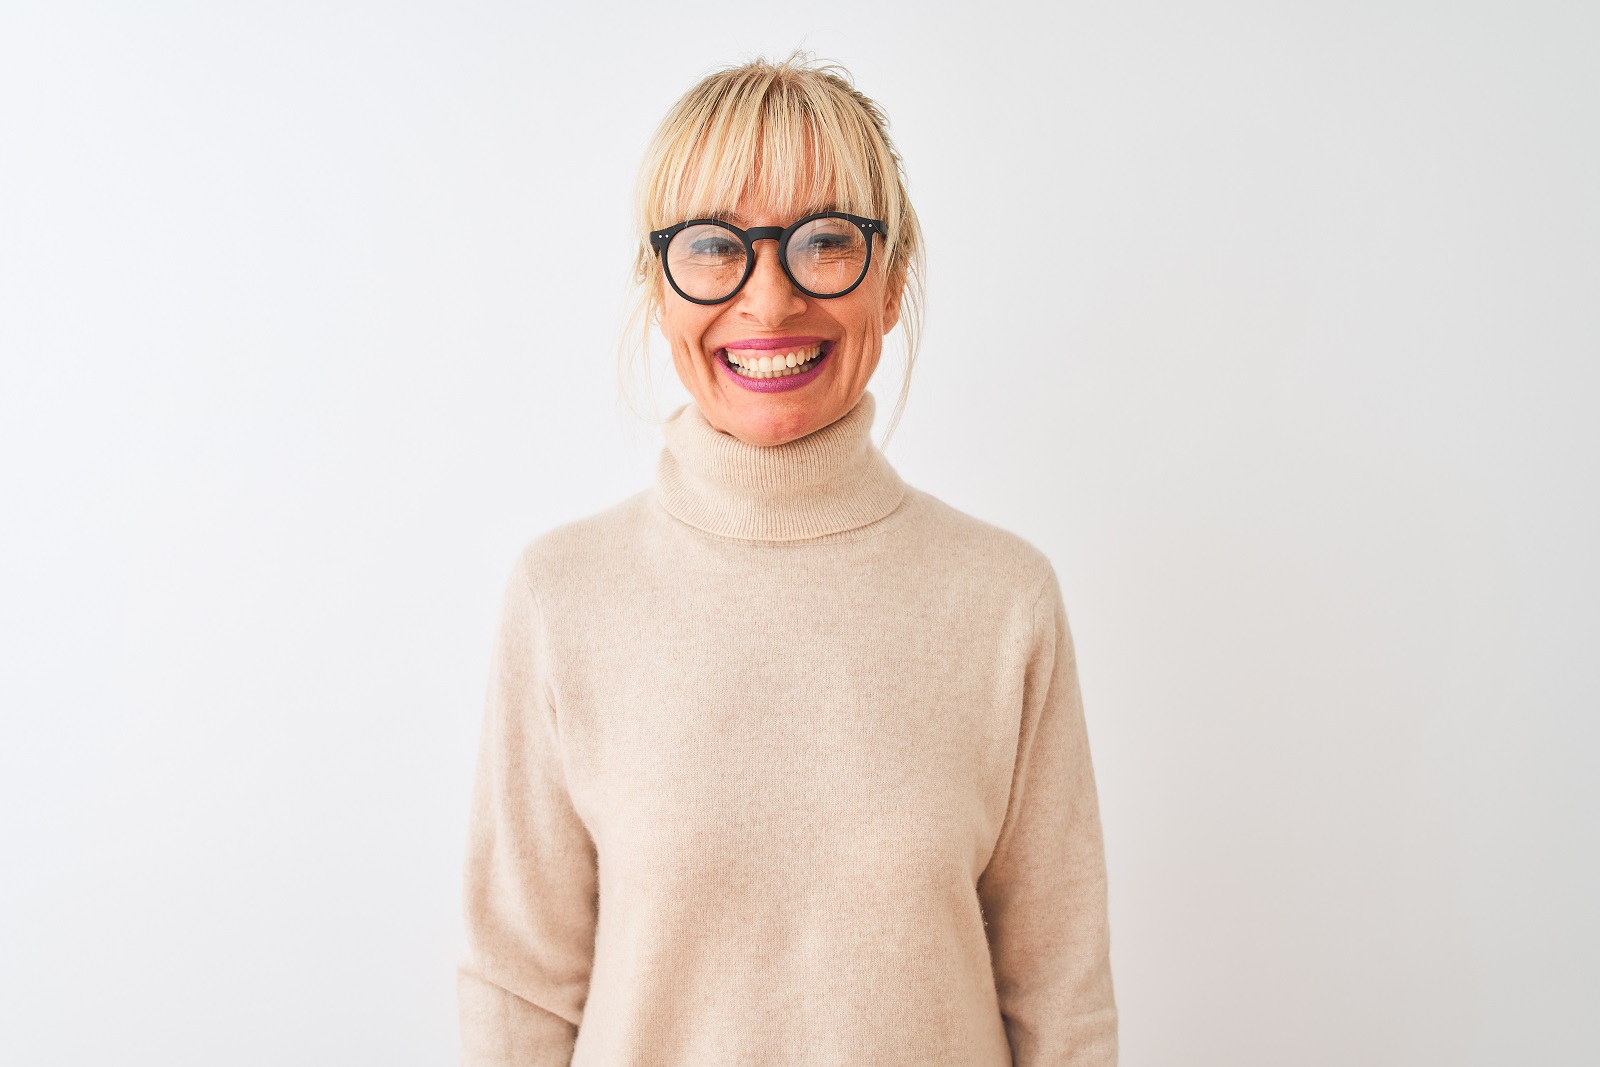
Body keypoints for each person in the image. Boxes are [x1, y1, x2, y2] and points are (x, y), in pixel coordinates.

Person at [457, 52, 1118, 1066]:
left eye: (823, 242)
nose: (768, 303)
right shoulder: (563, 594)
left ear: (891, 281)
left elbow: (1061, 999)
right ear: (659, 287)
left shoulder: (1001, 600)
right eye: (716, 246)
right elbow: (517, 989)